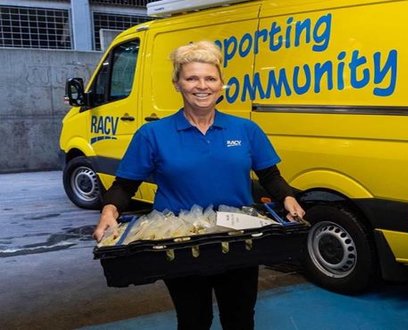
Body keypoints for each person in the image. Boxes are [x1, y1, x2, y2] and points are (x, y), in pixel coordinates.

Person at [91, 41, 305, 330]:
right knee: (193, 320)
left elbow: (270, 176)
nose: (201, 86)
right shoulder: (153, 134)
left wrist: (289, 198)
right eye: (191, 78)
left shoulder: (245, 130)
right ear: (177, 84)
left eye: (210, 78)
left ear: (221, 85)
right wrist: (109, 210)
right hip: (180, 242)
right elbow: (124, 185)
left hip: (239, 237)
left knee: (240, 318)